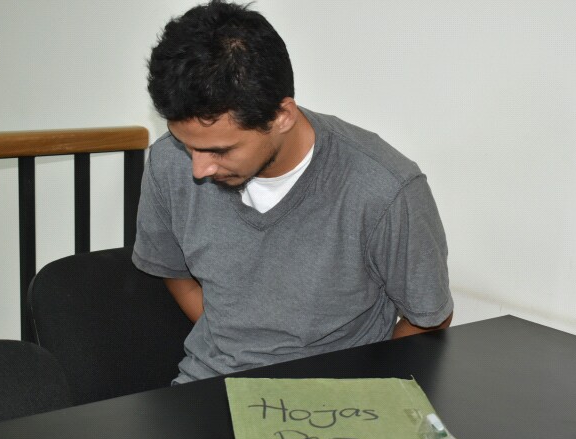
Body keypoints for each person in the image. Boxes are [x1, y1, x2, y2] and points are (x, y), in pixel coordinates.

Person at [133, 0, 453, 384]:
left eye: (220, 150)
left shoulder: (384, 189)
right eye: (187, 145)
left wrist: (363, 393)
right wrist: (242, 343)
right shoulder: (168, 162)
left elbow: (428, 319)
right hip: (208, 388)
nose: (198, 169)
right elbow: (174, 272)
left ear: (282, 116)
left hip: (333, 400)